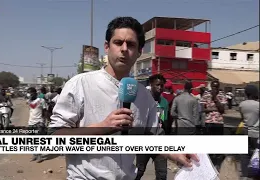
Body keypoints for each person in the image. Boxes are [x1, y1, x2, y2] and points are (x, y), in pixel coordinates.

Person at [48, 16, 198, 180]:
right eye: (118, 42)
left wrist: (174, 152)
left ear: (139, 52)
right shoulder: (80, 84)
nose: (124, 49)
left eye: (131, 44)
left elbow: (152, 138)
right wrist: (103, 127)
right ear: (107, 47)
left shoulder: (144, 96)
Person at [135, 74, 168, 180]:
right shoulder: (143, 100)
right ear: (151, 85)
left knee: (162, 174)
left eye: (162, 85)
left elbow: (165, 122)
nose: (160, 87)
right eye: (157, 85)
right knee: (139, 171)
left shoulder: (164, 102)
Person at [200, 80, 227, 171]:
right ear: (211, 86)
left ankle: (217, 164)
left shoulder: (222, 95)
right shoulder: (206, 94)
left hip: (219, 122)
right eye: (213, 87)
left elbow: (222, 110)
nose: (215, 88)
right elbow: (202, 109)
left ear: (218, 87)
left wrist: (215, 98)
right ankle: (208, 165)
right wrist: (215, 109)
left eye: (216, 87)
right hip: (208, 122)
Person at [239, 85, 259, 179]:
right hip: (256, 133)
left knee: (245, 155)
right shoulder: (258, 105)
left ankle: (245, 176)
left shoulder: (242, 104)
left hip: (245, 131)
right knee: (257, 153)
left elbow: (242, 118)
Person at [27, 87, 47, 163]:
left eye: (30, 92)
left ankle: (40, 156)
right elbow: (31, 111)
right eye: (28, 93)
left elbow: (45, 111)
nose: (29, 94)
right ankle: (34, 155)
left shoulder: (41, 100)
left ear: (35, 93)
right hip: (30, 123)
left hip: (38, 123)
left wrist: (43, 121)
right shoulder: (29, 101)